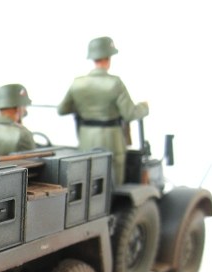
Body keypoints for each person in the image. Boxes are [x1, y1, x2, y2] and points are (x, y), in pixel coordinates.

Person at [57, 36, 149, 186]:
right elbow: (129, 114)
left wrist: (83, 106)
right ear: (108, 58)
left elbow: (62, 109)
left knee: (87, 178)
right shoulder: (114, 83)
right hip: (111, 140)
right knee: (113, 183)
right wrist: (144, 107)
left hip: (86, 138)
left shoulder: (78, 83)